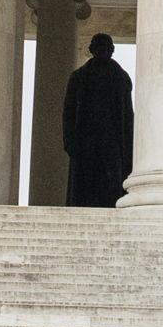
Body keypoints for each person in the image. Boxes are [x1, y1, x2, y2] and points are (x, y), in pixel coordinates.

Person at [61, 32, 133, 207]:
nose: (102, 51)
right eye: (99, 46)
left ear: (112, 50)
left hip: (111, 140)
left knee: (111, 182)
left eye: (106, 47)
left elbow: (127, 115)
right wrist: (70, 141)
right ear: (91, 49)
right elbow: (69, 112)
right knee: (85, 182)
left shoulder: (121, 79)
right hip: (85, 139)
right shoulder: (78, 77)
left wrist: (129, 146)